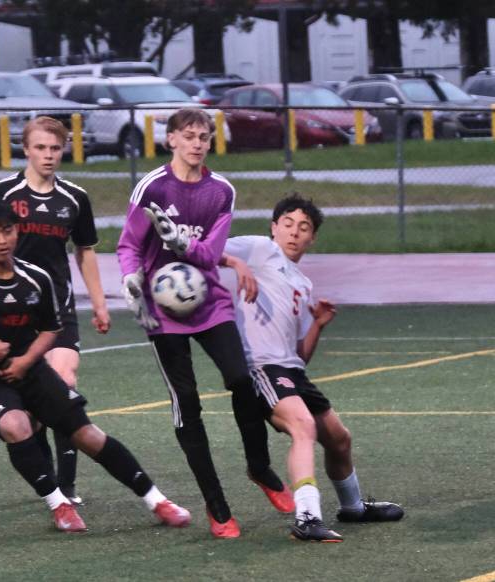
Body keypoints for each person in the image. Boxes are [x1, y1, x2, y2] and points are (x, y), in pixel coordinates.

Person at [0, 200, 190, 533]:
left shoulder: (36, 278)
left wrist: (25, 360)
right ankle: (59, 504)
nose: (2, 240)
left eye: (8, 230)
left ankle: (157, 500)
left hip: (33, 371)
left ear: (17, 231)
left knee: (87, 435)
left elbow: (52, 328)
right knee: (15, 426)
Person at [116, 108, 291, 539]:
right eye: (189, 136)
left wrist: (183, 243)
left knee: (241, 380)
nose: (197, 144)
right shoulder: (152, 187)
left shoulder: (220, 191)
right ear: (171, 139)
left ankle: (259, 467)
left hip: (209, 301)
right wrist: (131, 279)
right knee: (187, 403)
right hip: (162, 311)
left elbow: (211, 257)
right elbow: (129, 245)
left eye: (204, 137)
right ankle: (217, 506)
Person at [220, 194, 404, 542]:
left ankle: (352, 508)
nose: (294, 232)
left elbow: (299, 356)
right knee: (303, 428)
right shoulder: (260, 249)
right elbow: (206, 251)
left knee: (339, 438)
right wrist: (234, 262)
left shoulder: (303, 284)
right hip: (262, 368)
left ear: (312, 238)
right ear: (273, 227)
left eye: (303, 227)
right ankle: (307, 518)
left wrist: (318, 323)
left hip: (292, 371)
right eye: (287, 224)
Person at [0, 116, 109, 504]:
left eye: (55, 148)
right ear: (26, 149)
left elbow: (85, 252)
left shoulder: (74, 197)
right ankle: (47, 479)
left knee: (64, 383)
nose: (49, 155)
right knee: (32, 408)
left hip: (58, 308)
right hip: (14, 311)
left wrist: (100, 303)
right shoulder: (2, 193)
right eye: (41, 147)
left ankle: (67, 486)